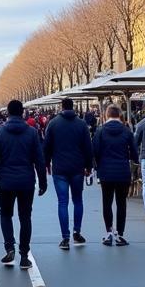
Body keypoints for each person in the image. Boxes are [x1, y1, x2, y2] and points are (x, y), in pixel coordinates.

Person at [0, 99, 46, 270]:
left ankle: (9, 247)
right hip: (26, 180)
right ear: (22, 112)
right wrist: (43, 181)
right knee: (25, 217)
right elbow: (39, 159)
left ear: (8, 113)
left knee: (5, 215)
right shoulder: (32, 132)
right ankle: (24, 255)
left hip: (6, 180)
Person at [42, 97, 92, 249]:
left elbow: (47, 146)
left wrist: (47, 163)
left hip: (60, 168)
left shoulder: (53, 123)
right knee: (78, 200)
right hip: (77, 168)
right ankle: (77, 232)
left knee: (62, 202)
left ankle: (65, 237)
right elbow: (88, 147)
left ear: (61, 107)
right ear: (73, 107)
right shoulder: (82, 124)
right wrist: (89, 166)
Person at [92, 105, 137, 247]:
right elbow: (135, 153)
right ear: (120, 115)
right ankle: (120, 234)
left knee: (107, 202)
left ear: (106, 115)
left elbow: (95, 152)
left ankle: (109, 232)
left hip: (106, 172)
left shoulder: (100, 131)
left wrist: (97, 167)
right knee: (121, 203)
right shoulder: (127, 131)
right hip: (123, 171)